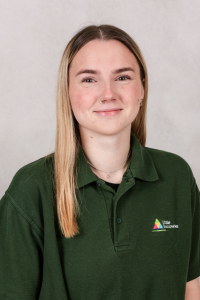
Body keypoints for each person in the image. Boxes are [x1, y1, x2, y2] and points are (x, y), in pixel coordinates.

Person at [0, 24, 199, 300]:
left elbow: (192, 287)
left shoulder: (176, 176)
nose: (108, 94)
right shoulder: (30, 191)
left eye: (123, 77)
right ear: (67, 93)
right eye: (89, 79)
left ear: (142, 88)